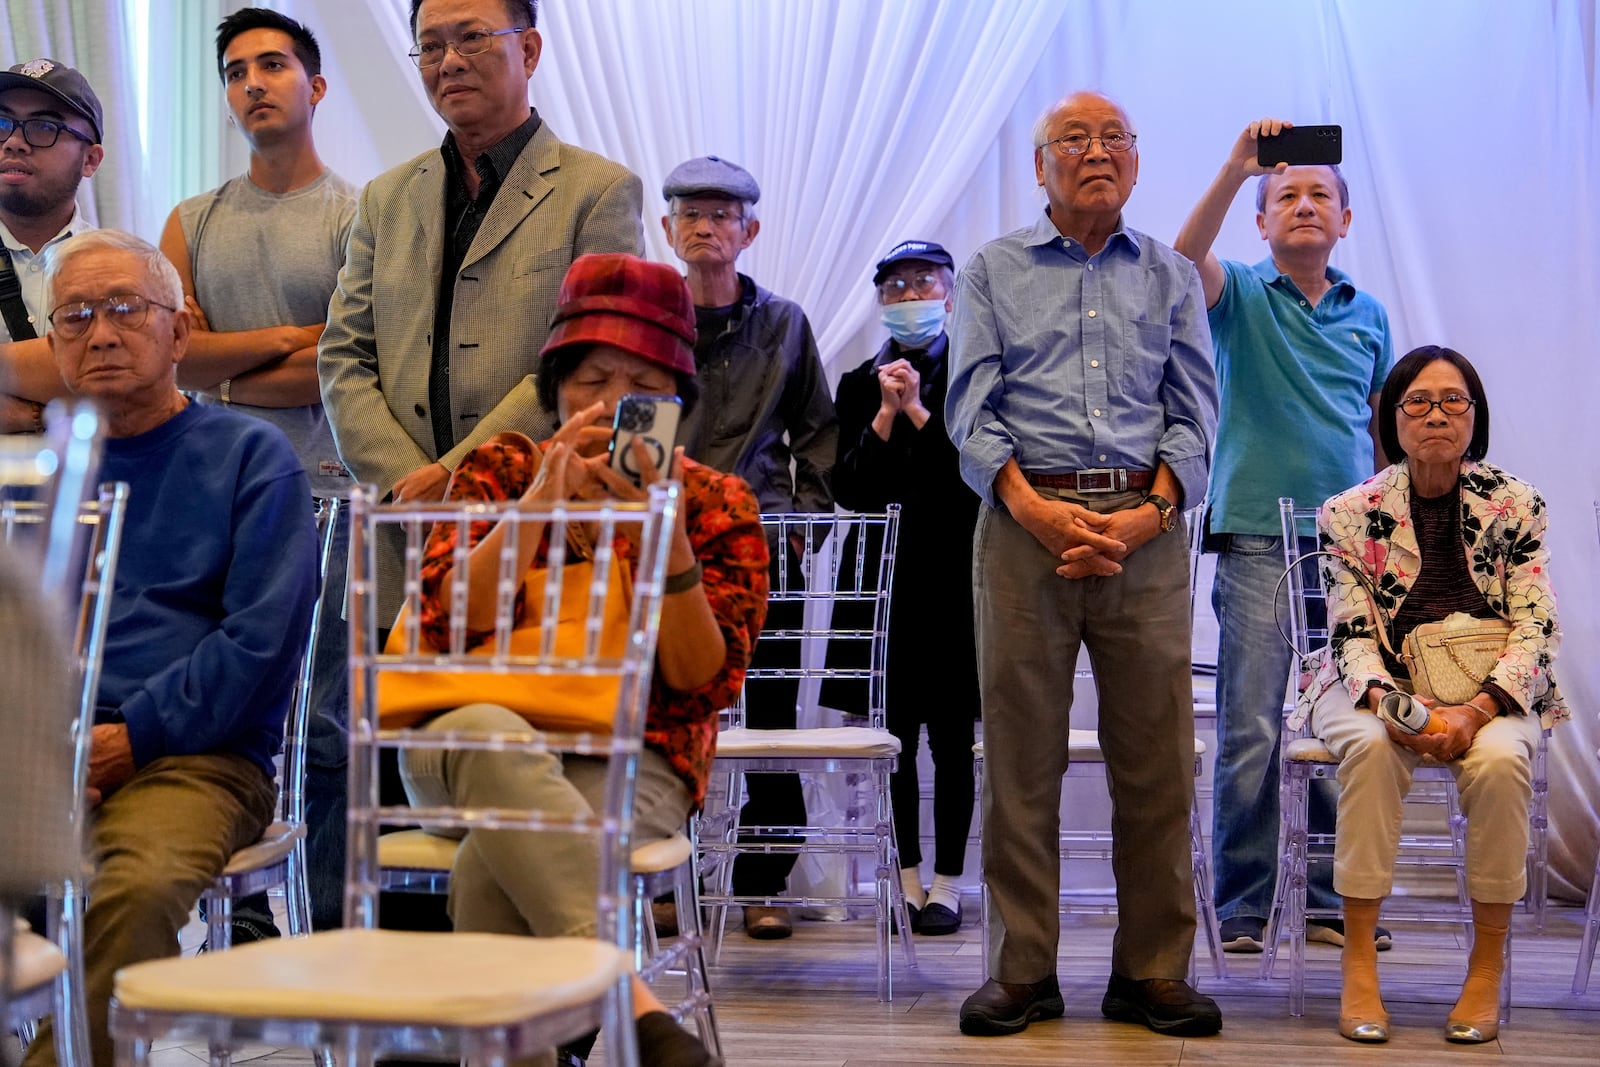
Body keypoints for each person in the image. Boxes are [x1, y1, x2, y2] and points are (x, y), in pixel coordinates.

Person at [395, 252, 767, 1067]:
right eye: (591, 377)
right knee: (492, 731)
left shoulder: (715, 504)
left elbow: (702, 682)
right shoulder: (498, 470)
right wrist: (535, 510)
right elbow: (442, 621)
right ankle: (625, 999)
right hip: (459, 740)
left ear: (675, 405)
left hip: (635, 752)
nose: (609, 405)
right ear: (553, 386)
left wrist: (660, 534)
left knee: (492, 874)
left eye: (641, 386)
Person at [946, 91, 1221, 1038]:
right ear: (1040, 166)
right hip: (1023, 525)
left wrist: (1151, 513)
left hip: (1145, 533)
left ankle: (1152, 970)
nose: (1095, 152)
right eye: (1073, 139)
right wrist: (1028, 505)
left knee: (1156, 760)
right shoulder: (989, 269)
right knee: (1021, 756)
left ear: (1137, 163)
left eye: (1113, 139)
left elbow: (1195, 413)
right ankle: (1023, 968)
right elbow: (968, 410)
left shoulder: (1173, 275)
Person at [22, 229, 317, 1067]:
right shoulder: (41, 477)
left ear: (179, 332)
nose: (101, 333)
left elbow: (261, 643)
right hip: (47, 749)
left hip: (198, 755)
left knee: (136, 883)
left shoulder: (251, 457)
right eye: (76, 316)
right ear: (53, 346)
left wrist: (130, 736)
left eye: (125, 309)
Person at [318, 0, 644, 625]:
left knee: (517, 720)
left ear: (528, 51)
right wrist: (403, 479)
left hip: (534, 538)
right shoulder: (386, 197)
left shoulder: (598, 191)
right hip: (400, 539)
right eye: (431, 46)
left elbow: (589, 369)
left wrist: (456, 475)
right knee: (393, 721)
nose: (449, 62)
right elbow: (343, 354)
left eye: (471, 38)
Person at [1299, 345, 1565, 1045]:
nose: (1436, 414)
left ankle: (1485, 967)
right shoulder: (1348, 512)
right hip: (1376, 686)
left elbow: (1536, 626)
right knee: (1370, 747)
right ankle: (1358, 959)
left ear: (1474, 418)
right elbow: (1351, 635)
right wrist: (1397, 708)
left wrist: (1477, 709)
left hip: (1489, 689)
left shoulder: (1517, 503)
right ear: (1392, 418)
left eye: (1453, 401)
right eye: (1418, 401)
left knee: (1502, 760)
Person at [159, 5, 358, 940]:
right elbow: (167, 358)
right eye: (237, 71)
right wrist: (289, 341)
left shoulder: (361, 214)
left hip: (331, 493)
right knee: (227, 717)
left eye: (273, 65)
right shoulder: (189, 219)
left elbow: (356, 359)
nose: (253, 83)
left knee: (323, 727)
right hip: (214, 502)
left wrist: (218, 359)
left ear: (315, 86)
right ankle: (243, 922)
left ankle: (322, 925)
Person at [1173, 118, 1395, 954]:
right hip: (1256, 540)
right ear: (1261, 224)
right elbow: (1182, 256)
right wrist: (1236, 168)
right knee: (1252, 726)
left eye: (1320, 195)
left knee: (1346, 720)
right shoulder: (1240, 297)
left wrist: (1390, 541)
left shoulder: (1366, 311)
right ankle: (1243, 903)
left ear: (1344, 220)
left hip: (1351, 551)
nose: (1303, 206)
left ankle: (1336, 901)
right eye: (1285, 197)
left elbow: (1381, 435)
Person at [659, 154, 836, 939]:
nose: (705, 226)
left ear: (750, 231)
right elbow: (627, 418)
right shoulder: (648, 320)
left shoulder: (786, 323)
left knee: (768, 720)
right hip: (662, 552)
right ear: (667, 230)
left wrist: (802, 524)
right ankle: (663, 874)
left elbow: (820, 436)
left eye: (722, 215)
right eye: (690, 213)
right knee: (663, 713)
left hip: (762, 547)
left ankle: (763, 879)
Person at [830, 239, 977, 936]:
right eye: (896, 286)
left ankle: (949, 884)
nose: (910, 294)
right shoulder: (859, 382)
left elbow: (971, 482)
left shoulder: (974, 375)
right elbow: (851, 490)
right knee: (892, 741)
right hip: (882, 585)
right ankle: (905, 879)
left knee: (952, 740)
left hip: (954, 582)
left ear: (949, 293)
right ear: (881, 300)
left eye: (924, 282)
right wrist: (886, 413)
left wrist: (919, 409)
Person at [0, 59, 103, 433]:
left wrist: (23, 415)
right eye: (2, 123)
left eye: (43, 127)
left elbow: (134, 385)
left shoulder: (122, 266)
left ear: (90, 159)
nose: (13, 141)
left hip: (87, 485)